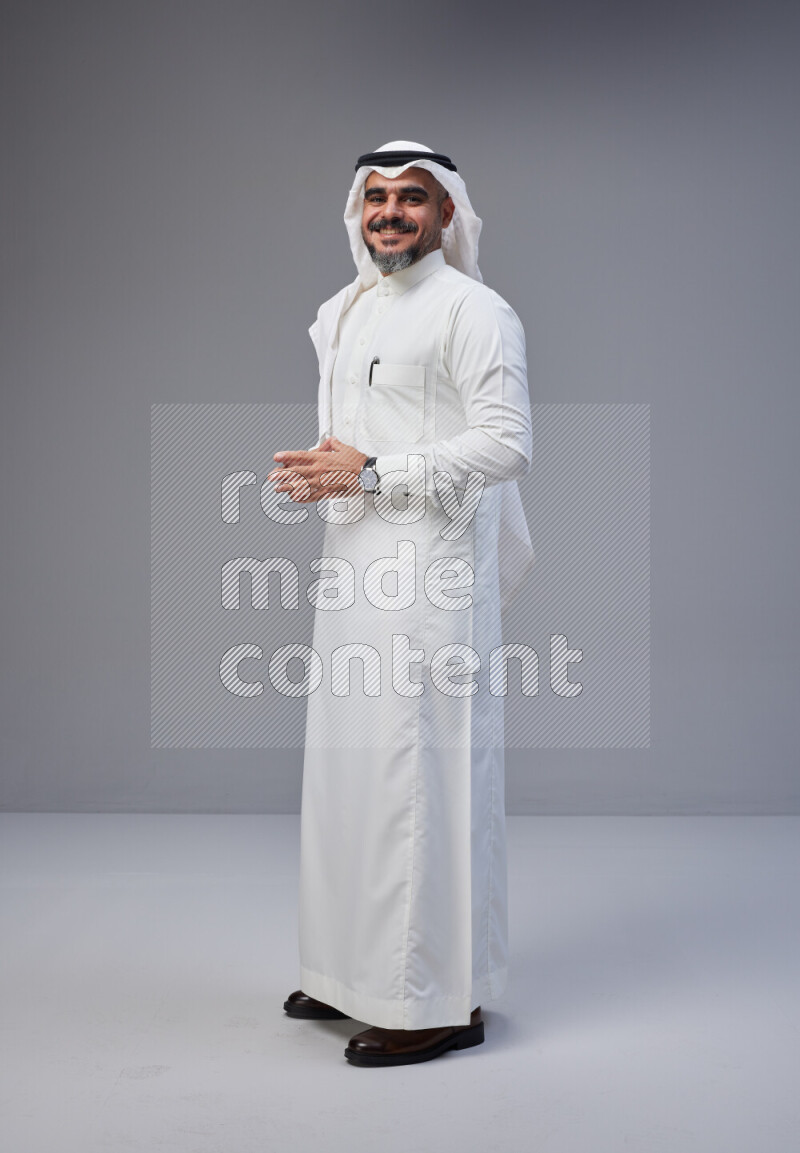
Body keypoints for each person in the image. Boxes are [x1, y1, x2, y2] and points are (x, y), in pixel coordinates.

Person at [268, 140, 534, 1067]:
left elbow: (505, 445)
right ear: (357, 211)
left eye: (411, 198)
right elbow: (353, 436)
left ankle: (432, 1001)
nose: (390, 212)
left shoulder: (475, 310)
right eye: (376, 197)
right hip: (354, 565)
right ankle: (351, 974)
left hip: (433, 576)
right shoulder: (341, 311)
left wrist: (377, 471)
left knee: (418, 779)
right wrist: (329, 472)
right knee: (348, 776)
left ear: (447, 213)